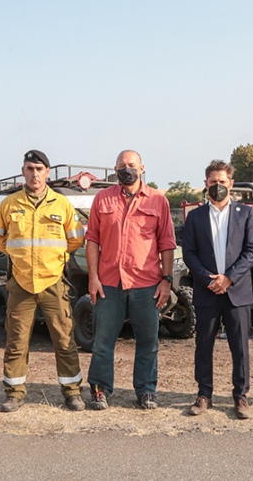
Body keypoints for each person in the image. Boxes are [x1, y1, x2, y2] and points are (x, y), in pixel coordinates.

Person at [0, 150, 86, 412]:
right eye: (30, 168)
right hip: (21, 283)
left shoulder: (61, 204)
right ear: (23, 171)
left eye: (39, 168)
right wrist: (16, 254)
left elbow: (76, 238)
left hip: (53, 281)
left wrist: (54, 257)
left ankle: (72, 392)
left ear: (47, 172)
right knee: (16, 341)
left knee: (64, 339)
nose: (34, 173)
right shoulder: (9, 204)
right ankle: (14, 393)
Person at [86, 150, 176, 411]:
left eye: (132, 165)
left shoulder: (158, 200)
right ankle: (100, 390)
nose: (127, 169)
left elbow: (167, 243)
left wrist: (166, 280)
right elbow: (92, 239)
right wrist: (93, 278)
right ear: (115, 170)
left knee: (148, 342)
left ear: (142, 168)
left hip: (146, 284)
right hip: (109, 284)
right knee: (103, 341)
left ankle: (146, 391)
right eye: (122, 166)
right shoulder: (102, 199)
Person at [182, 160, 253, 419]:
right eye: (213, 182)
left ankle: (241, 396)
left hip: (237, 292)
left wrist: (229, 278)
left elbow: (252, 251)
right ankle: (204, 394)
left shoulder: (246, 214)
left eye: (222, 182)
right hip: (207, 292)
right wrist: (208, 280)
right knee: (203, 345)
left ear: (231, 183)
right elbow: (189, 253)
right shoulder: (195, 217)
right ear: (206, 184)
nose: (218, 186)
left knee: (240, 347)